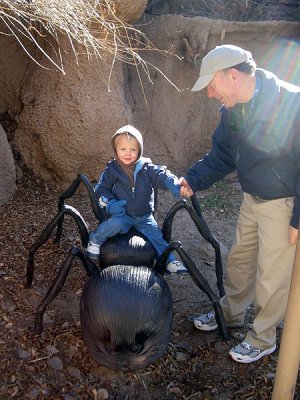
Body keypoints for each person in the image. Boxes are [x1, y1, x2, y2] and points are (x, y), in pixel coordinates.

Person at [179, 44, 300, 363]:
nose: (209, 94)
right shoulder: (233, 111)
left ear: (233, 75)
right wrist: (193, 179)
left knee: (271, 277)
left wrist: (298, 217)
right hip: (252, 199)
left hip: (283, 204)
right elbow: (221, 156)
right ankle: (230, 314)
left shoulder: (291, 102)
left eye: (212, 85)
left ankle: (262, 338)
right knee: (240, 262)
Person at [86, 124, 187, 275]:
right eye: (123, 149)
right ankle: (95, 239)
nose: (128, 153)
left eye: (133, 149)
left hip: (144, 216)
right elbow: (100, 190)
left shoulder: (147, 167)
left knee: (156, 237)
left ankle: (170, 260)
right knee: (114, 224)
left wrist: (172, 182)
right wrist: (110, 204)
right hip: (122, 214)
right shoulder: (112, 169)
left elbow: (161, 174)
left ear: (139, 150)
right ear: (115, 150)